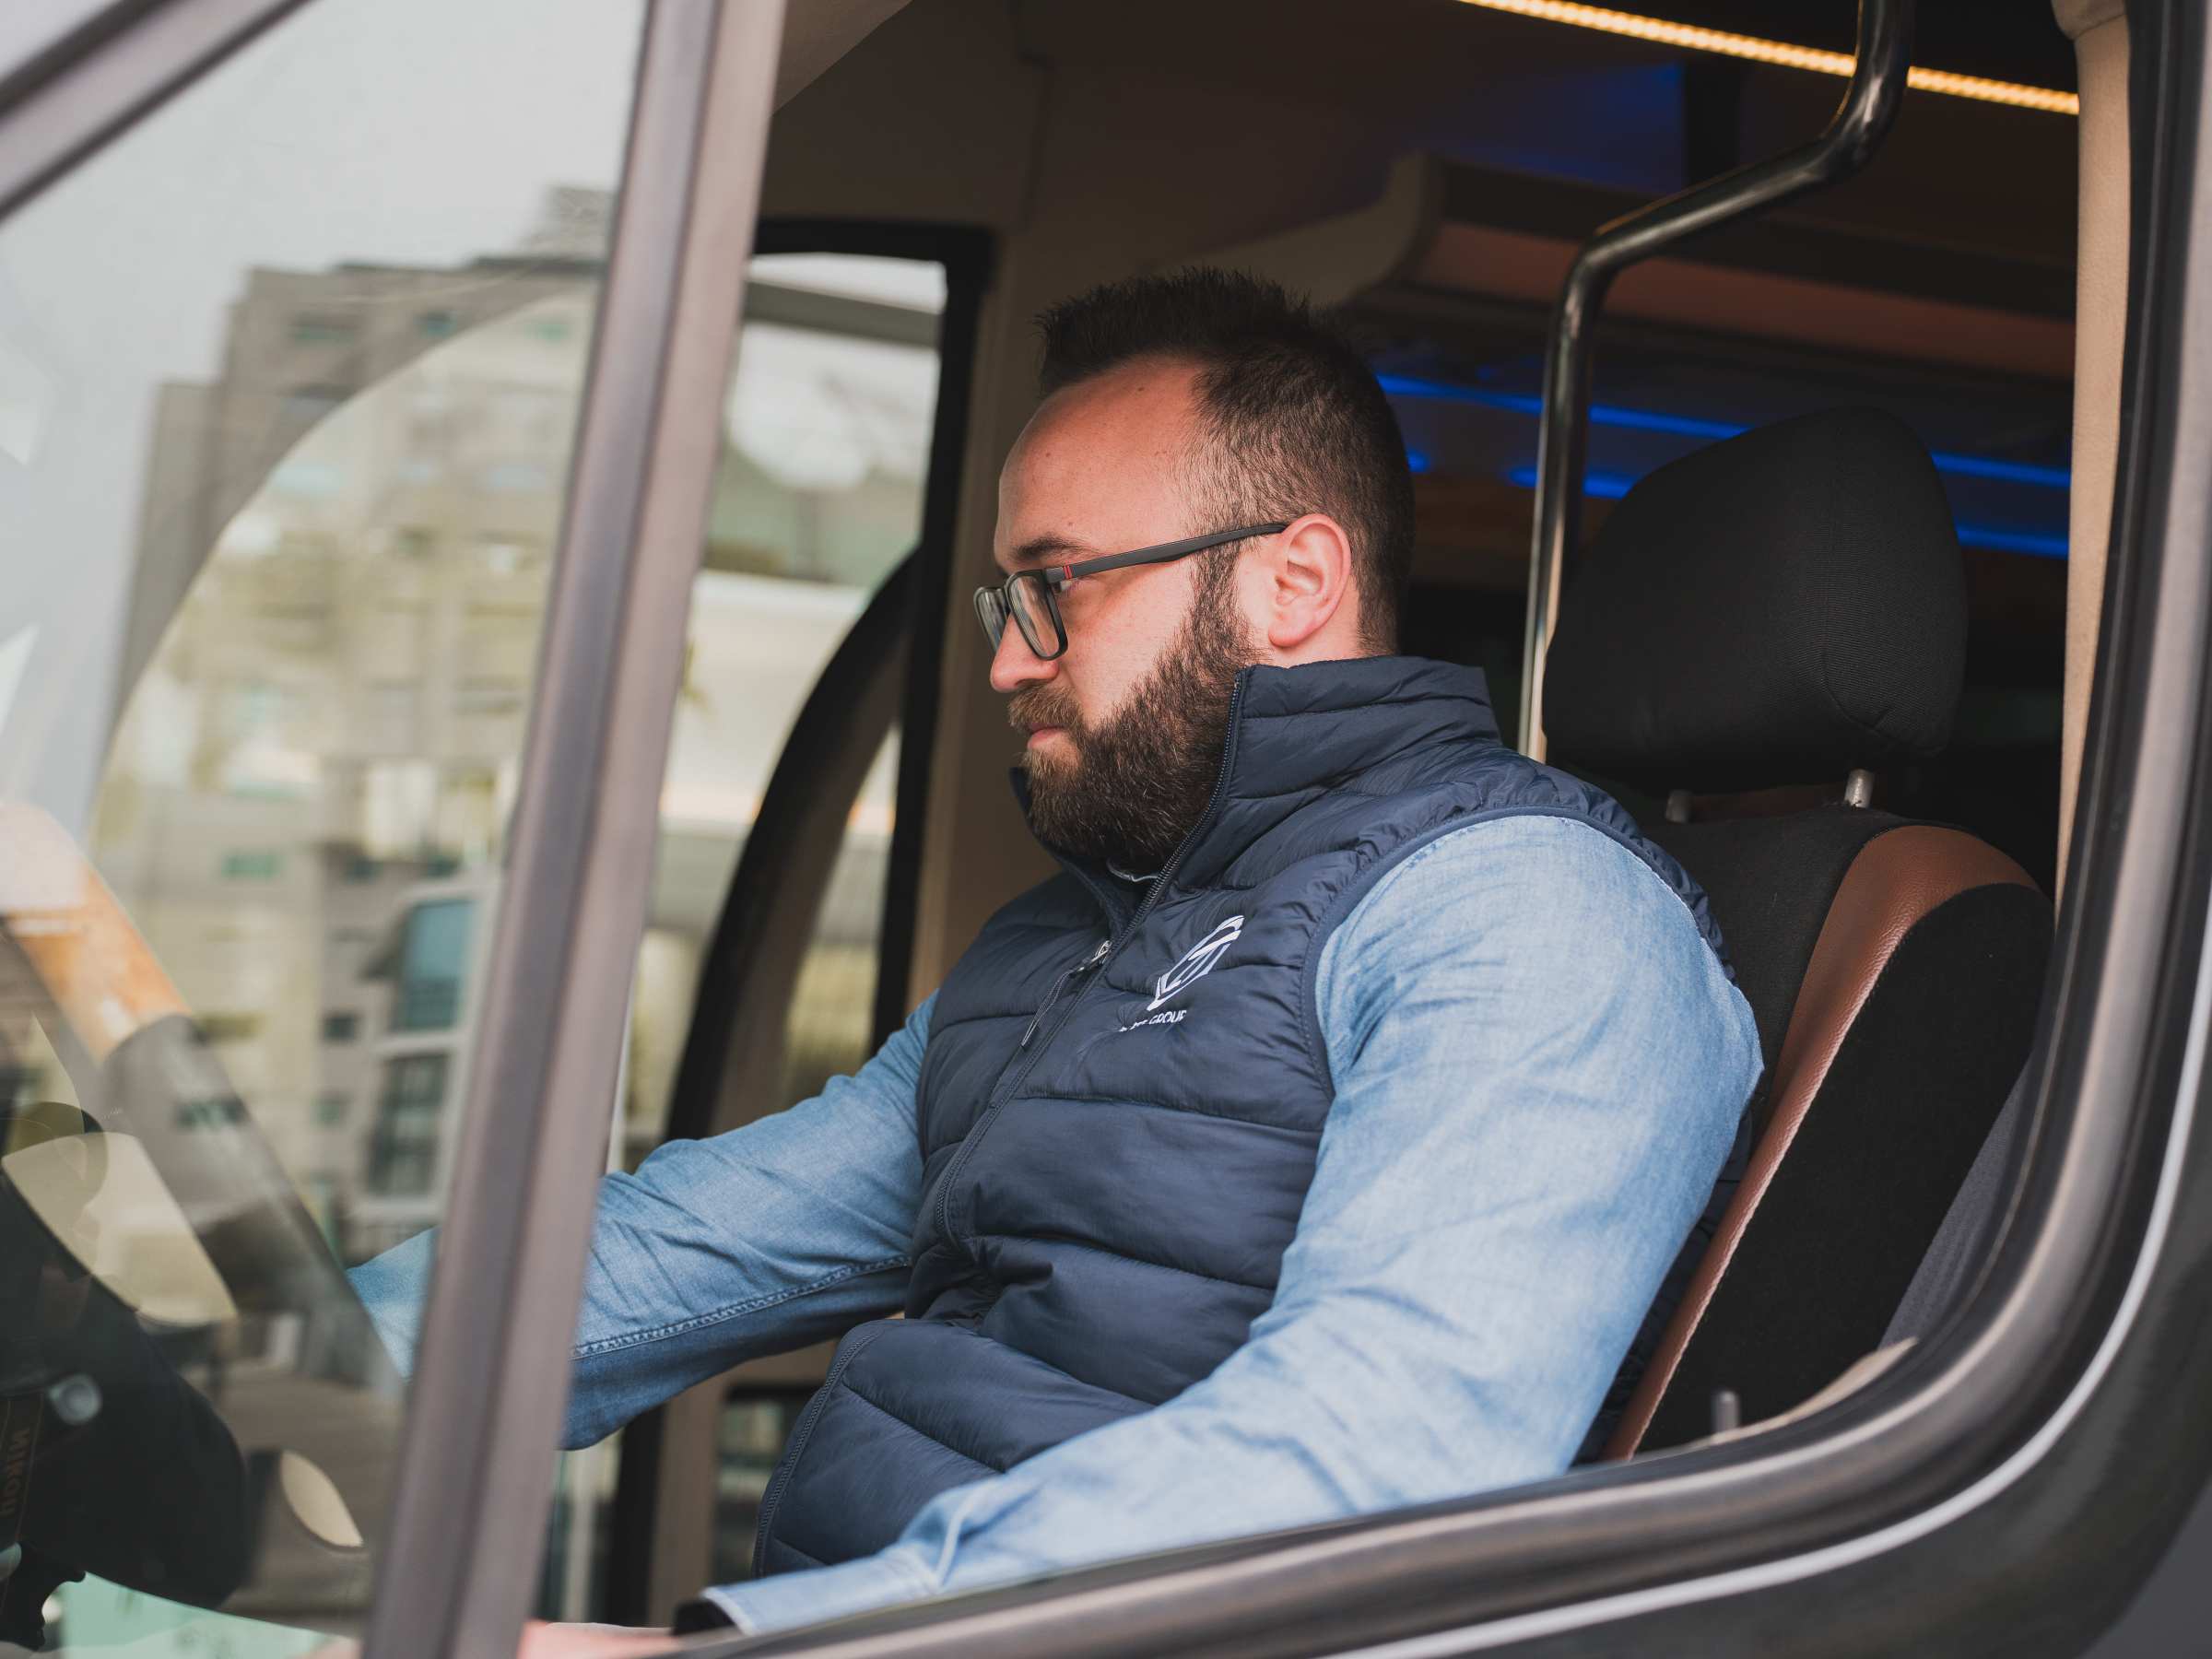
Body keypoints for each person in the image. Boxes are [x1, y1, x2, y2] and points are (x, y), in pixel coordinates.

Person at [349, 267, 1760, 1653]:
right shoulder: (1066, 942)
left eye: (1056, 589)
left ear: (1294, 580)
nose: (1008, 663)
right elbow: (690, 1248)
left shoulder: (1527, 904)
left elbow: (1379, 1453)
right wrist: (306, 1387)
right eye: (1000, 603)